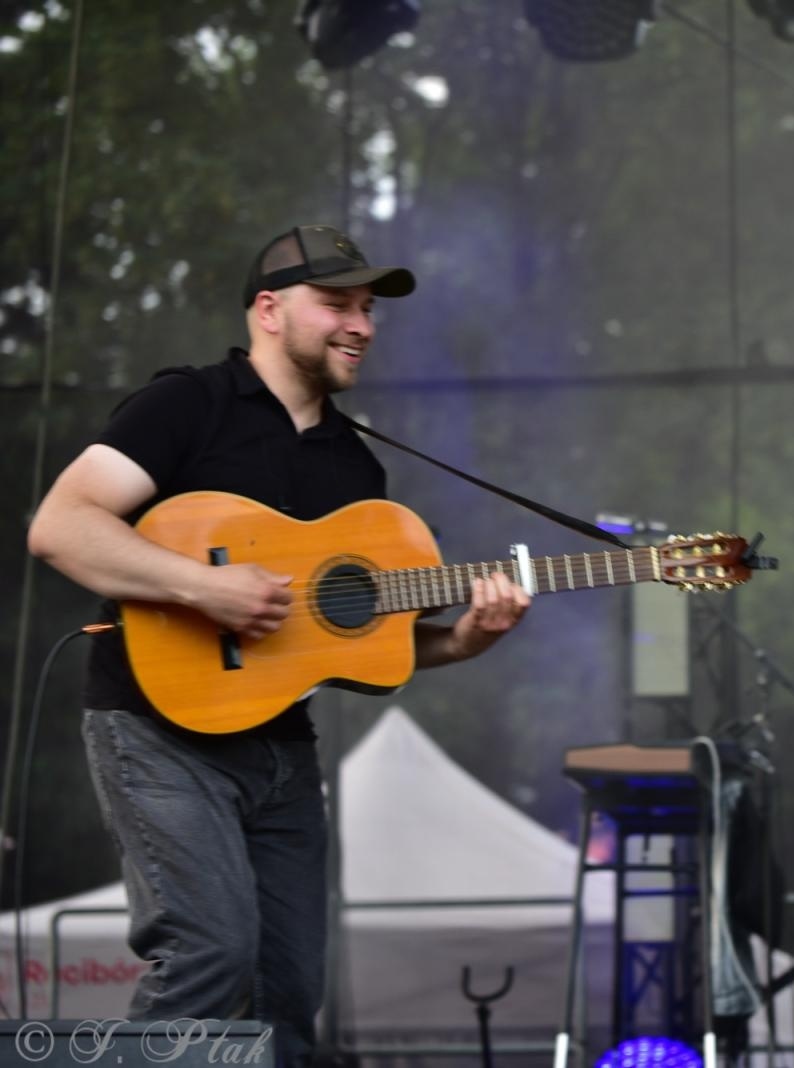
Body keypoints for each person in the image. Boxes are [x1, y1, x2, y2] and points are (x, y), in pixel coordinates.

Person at [27, 225, 532, 1066]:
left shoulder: (356, 468)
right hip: (157, 731)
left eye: (368, 309)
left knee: (291, 990)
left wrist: (468, 640)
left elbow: (366, 648)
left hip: (280, 753)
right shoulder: (190, 405)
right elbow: (61, 525)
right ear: (268, 309)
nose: (362, 325)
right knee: (208, 955)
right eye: (338, 304)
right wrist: (204, 587)